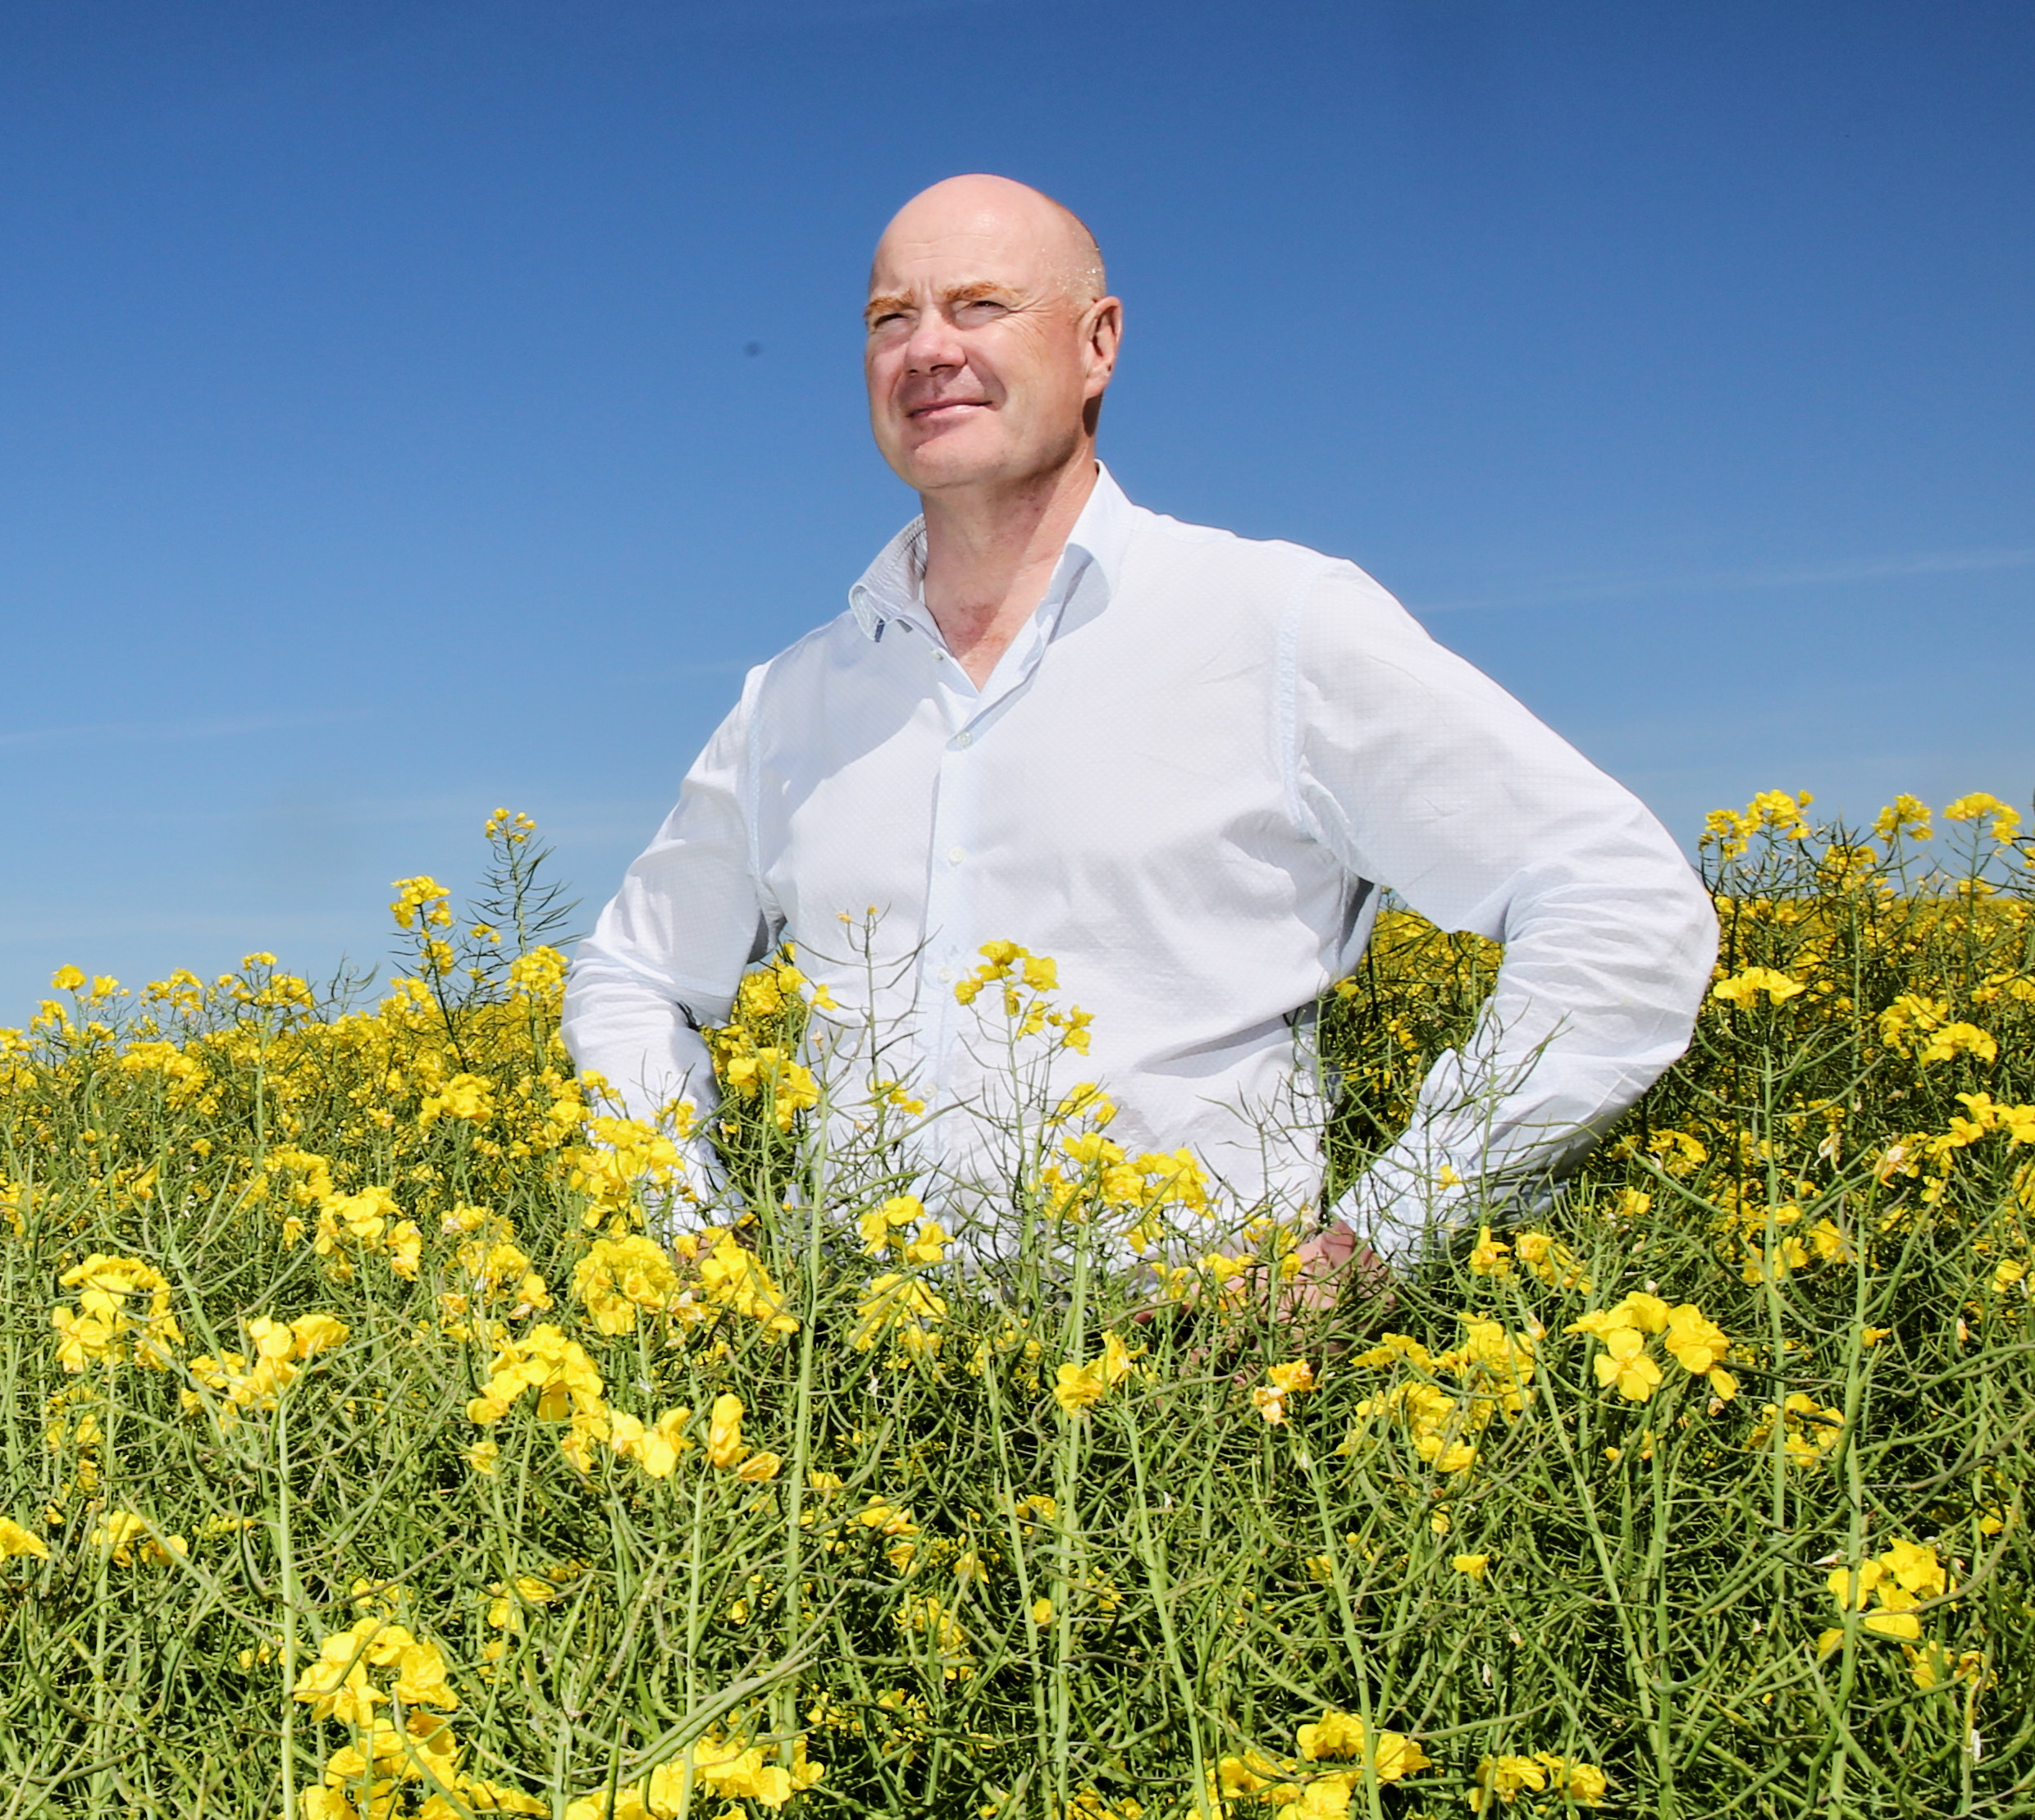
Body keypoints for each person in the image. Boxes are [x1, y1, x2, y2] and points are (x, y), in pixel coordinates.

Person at [559, 173, 1718, 1283]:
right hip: (861, 1411)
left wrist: (1383, 1239)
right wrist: (690, 1231)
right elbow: (632, 975)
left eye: (981, 306)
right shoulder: (793, 700)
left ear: (1099, 341)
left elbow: (1619, 901)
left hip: (1187, 1411)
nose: (928, 351)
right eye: (889, 317)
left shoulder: (1273, 624)